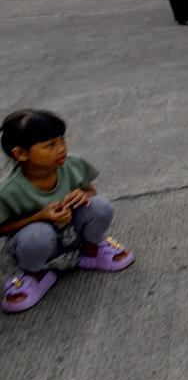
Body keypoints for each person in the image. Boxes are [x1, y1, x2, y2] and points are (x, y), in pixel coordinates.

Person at [1, 110, 134, 314]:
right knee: (37, 234)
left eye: (62, 140)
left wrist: (82, 195)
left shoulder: (71, 164)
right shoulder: (9, 191)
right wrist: (39, 216)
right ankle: (34, 274)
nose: (61, 148)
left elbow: (91, 191)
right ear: (21, 153)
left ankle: (91, 251)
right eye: (50, 145)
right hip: (35, 247)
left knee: (100, 205)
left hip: (70, 234)